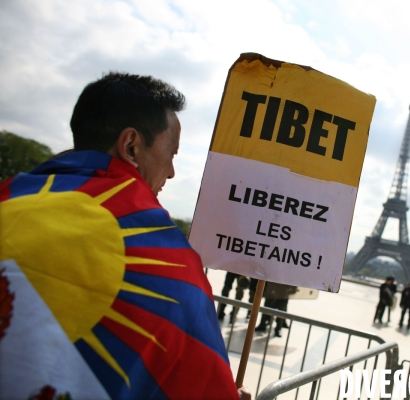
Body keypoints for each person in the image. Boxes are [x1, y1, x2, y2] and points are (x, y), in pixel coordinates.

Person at [0, 72, 249, 399]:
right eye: (171, 153)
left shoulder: (10, 199)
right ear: (131, 146)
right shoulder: (169, 265)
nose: (172, 172)